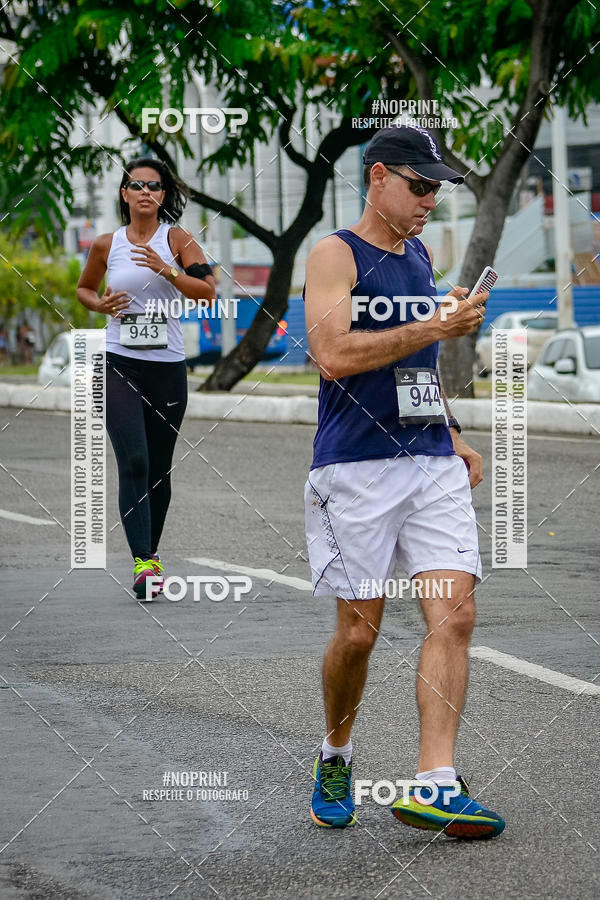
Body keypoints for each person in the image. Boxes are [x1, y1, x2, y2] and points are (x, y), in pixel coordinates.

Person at [304, 126, 505, 839]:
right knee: (358, 635)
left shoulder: (419, 256)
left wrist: (449, 432)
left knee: (456, 614)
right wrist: (430, 327)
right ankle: (336, 753)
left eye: (438, 190)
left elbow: (413, 368)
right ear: (379, 177)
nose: (429, 202)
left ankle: (435, 784)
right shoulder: (335, 254)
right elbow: (331, 353)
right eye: (420, 186)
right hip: (354, 466)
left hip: (427, 462)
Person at [77, 157, 216, 598]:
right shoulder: (106, 244)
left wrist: (166, 268)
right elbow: (85, 289)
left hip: (167, 366)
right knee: (133, 460)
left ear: (162, 195)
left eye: (153, 186)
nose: (145, 192)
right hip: (119, 361)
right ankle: (143, 563)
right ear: (124, 194)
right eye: (136, 185)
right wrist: (98, 305)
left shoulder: (176, 239)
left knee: (158, 468)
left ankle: (150, 552)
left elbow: (207, 291)